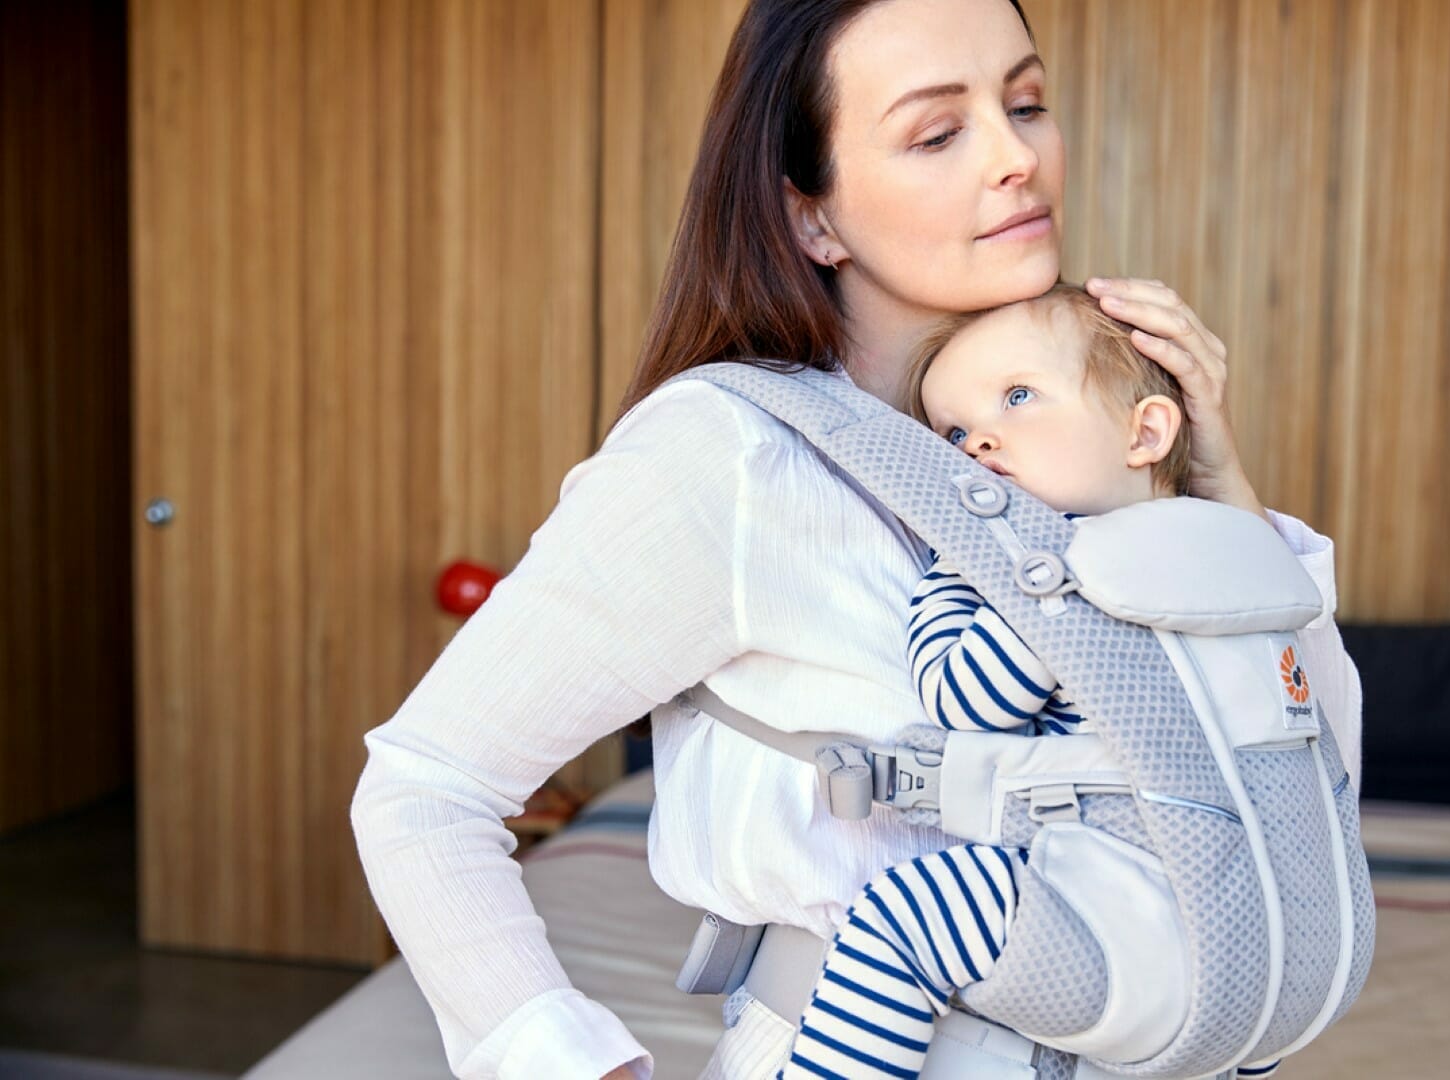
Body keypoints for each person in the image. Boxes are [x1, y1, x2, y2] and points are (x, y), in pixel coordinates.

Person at [348, 2, 1364, 1079]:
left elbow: (1304, 791)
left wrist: (1213, 483)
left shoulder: (1090, 439)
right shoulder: (734, 455)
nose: (1018, 157)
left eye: (1026, 103)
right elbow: (425, 789)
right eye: (938, 132)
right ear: (813, 218)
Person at [779, 283, 1293, 1079]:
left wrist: (991, 581)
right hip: (1237, 933)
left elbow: (969, 702)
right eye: (952, 432)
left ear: (1145, 431)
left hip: (1136, 899)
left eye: (1018, 397)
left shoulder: (1080, 565)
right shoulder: (1240, 554)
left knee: (903, 913)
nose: (976, 443)